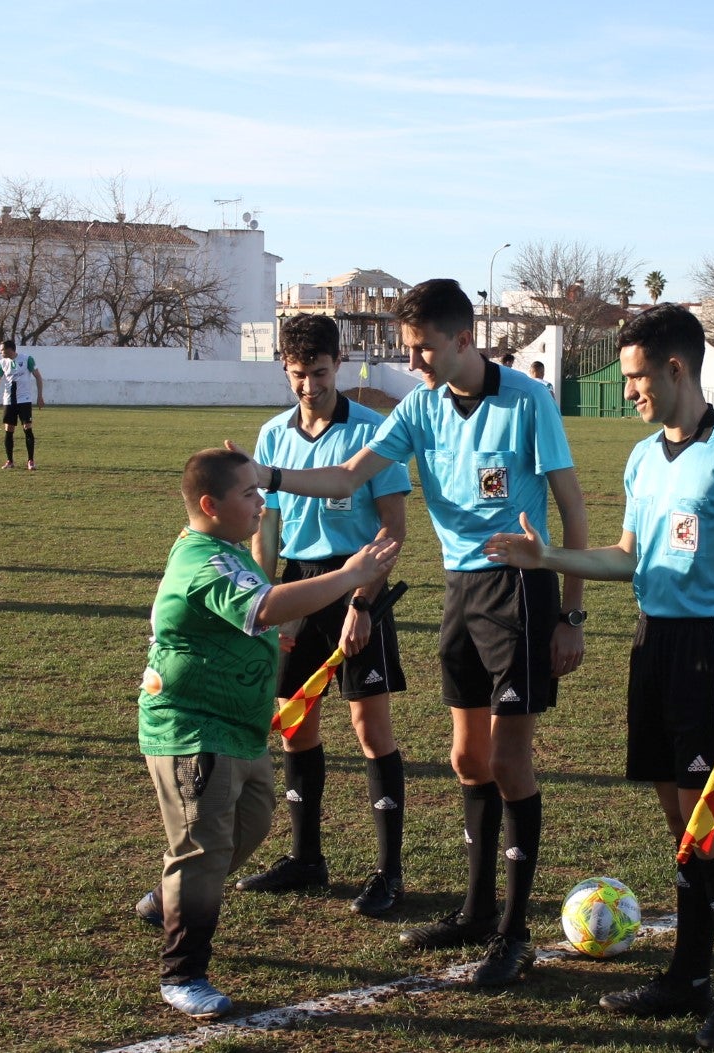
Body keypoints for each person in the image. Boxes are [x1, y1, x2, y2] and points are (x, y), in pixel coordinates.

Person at [235, 278, 589, 988]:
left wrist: (570, 614)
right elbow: (343, 480)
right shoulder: (420, 410)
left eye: (424, 349)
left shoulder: (528, 400)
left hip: (520, 589)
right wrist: (265, 473)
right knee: (465, 758)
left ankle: (512, 932)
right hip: (461, 592)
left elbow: (573, 513)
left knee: (511, 763)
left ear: (464, 339)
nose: (416, 363)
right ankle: (475, 909)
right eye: (409, 351)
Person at [485, 303, 714, 1050]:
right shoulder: (643, 456)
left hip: (711, 650)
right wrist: (547, 557)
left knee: (707, 830)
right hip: (651, 644)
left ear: (675, 367)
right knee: (680, 827)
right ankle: (685, 976)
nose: (629, 391)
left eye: (636, 376)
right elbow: (627, 556)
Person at [137, 448, 398, 1020]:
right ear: (210, 505)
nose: (262, 503)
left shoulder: (227, 550)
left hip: (239, 728)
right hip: (194, 729)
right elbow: (261, 607)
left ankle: (167, 899)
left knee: (249, 826)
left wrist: (263, 640)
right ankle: (182, 974)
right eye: (250, 494)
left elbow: (247, 620)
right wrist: (351, 575)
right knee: (204, 848)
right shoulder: (202, 560)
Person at [233, 314, 412, 918]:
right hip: (298, 588)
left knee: (371, 731)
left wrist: (362, 605)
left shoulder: (373, 433)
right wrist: (266, 597)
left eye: (319, 372)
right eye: (298, 375)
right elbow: (267, 527)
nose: (309, 386)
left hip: (359, 583)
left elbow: (394, 529)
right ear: (285, 371)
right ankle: (307, 858)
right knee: (295, 722)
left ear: (341, 365)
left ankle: (389, 874)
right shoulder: (273, 436)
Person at [0, 339, 44, 470]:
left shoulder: (27, 359)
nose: (0, 352)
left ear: (10, 349)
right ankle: (10, 461)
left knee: (27, 428)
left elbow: (38, 377)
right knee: (9, 430)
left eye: (2, 350)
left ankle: (31, 461)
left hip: (24, 400)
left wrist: (40, 396)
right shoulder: (2, 363)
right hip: (9, 401)